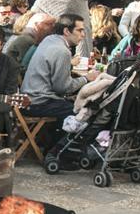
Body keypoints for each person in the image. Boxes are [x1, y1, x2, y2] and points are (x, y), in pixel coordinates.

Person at [21, 14, 100, 148]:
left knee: (72, 104)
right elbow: (63, 88)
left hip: (28, 98)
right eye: (79, 30)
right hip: (38, 103)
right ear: (66, 31)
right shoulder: (62, 51)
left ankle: (49, 146)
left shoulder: (49, 40)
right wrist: (86, 78)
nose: (83, 35)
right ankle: (58, 152)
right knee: (81, 112)